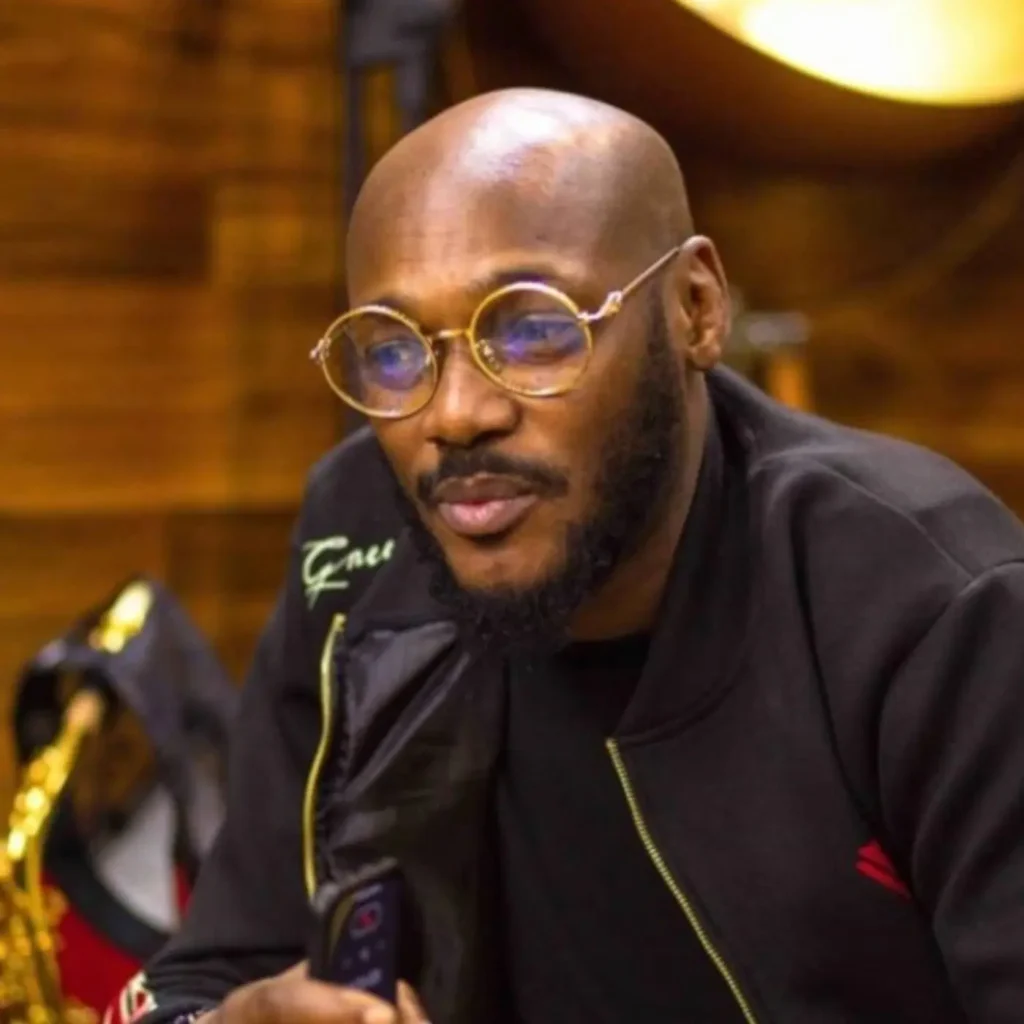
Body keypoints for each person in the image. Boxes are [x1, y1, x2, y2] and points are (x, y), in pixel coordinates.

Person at [114, 88, 1024, 1024]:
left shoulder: (933, 607)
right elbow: (204, 978)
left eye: (533, 331)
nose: (454, 414)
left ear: (696, 310)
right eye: (393, 352)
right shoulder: (360, 533)